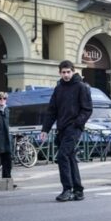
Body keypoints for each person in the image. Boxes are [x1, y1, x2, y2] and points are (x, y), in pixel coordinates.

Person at [40, 60, 93, 202]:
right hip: (62, 128)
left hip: (74, 128)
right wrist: (45, 129)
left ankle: (67, 189)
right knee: (69, 157)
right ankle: (78, 190)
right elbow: (51, 110)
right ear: (60, 73)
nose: (66, 75)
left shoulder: (81, 87)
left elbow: (87, 109)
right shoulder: (58, 89)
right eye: (63, 72)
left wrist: (77, 123)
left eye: (68, 72)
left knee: (62, 156)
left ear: (73, 71)